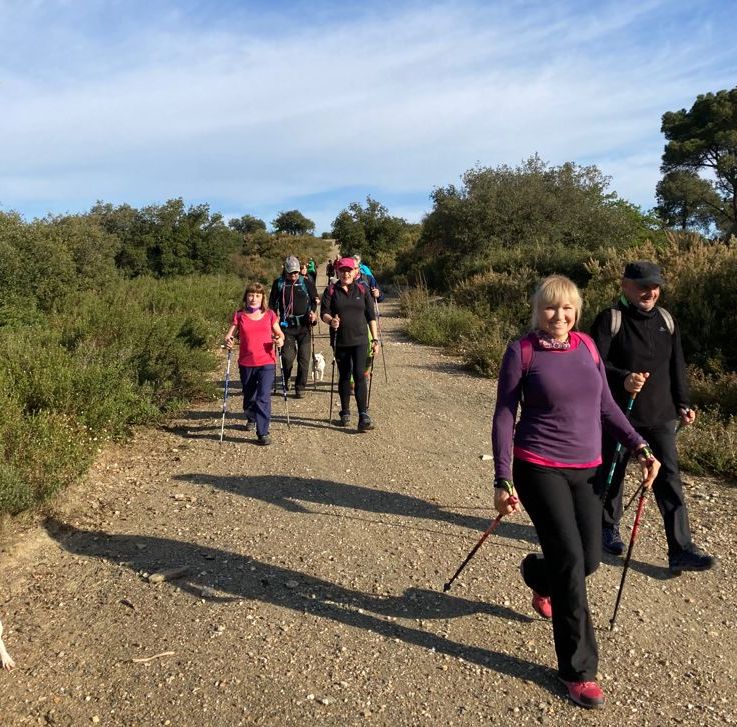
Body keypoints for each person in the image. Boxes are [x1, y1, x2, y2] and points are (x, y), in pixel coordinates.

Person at [492, 275, 660, 709]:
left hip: (586, 469)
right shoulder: (522, 351)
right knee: (570, 561)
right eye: (550, 308)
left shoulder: (587, 347)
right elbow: (505, 416)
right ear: (537, 311)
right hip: (538, 468)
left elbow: (605, 404)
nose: (559, 317)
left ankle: (536, 574)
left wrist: (640, 446)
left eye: (567, 308)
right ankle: (578, 670)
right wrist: (503, 478)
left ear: (577, 312)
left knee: (589, 559)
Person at [590, 261, 714, 574]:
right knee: (613, 473)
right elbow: (594, 364)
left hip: (661, 415)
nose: (650, 292)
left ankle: (681, 548)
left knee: (669, 480)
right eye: (643, 286)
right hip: (620, 412)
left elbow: (677, 366)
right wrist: (623, 379)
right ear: (625, 286)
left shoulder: (666, 320)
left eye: (655, 286)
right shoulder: (611, 319)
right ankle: (607, 529)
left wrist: (683, 403)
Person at [321, 257, 380, 431]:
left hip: (361, 340)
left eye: (349, 270)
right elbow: (324, 312)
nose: (346, 273)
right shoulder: (331, 290)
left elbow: (371, 316)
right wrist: (331, 320)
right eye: (342, 270)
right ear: (337, 272)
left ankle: (363, 415)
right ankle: (345, 411)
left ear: (355, 272)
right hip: (341, 341)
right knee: (345, 375)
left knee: (360, 375)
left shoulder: (362, 289)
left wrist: (375, 340)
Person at [224, 282, 284, 446]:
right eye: (251, 295)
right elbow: (230, 334)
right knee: (250, 396)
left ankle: (263, 432)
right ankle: (251, 417)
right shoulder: (240, 315)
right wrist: (229, 340)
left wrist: (280, 340)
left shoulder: (270, 315)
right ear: (246, 297)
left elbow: (280, 334)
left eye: (258, 295)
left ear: (263, 298)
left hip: (267, 362)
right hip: (246, 362)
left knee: (263, 396)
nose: (254, 298)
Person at [268, 256, 319, 398]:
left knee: (304, 359)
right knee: (287, 358)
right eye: (291, 272)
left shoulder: (306, 282)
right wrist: (274, 319)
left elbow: (314, 300)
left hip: (304, 326)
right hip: (286, 327)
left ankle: (300, 387)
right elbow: (272, 304)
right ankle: (286, 379)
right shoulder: (278, 283)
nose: (294, 275)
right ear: (285, 271)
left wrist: (313, 313)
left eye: (296, 272)